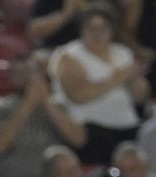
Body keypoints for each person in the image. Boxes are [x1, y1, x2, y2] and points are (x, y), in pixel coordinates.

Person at [50, 9, 147, 166]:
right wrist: (117, 77)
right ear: (82, 30)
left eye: (103, 28)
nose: (97, 34)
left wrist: (137, 81)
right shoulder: (68, 56)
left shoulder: (123, 53)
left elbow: (139, 95)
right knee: (114, 169)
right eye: (91, 28)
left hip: (127, 125)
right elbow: (77, 96)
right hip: (91, 129)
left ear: (111, 30)